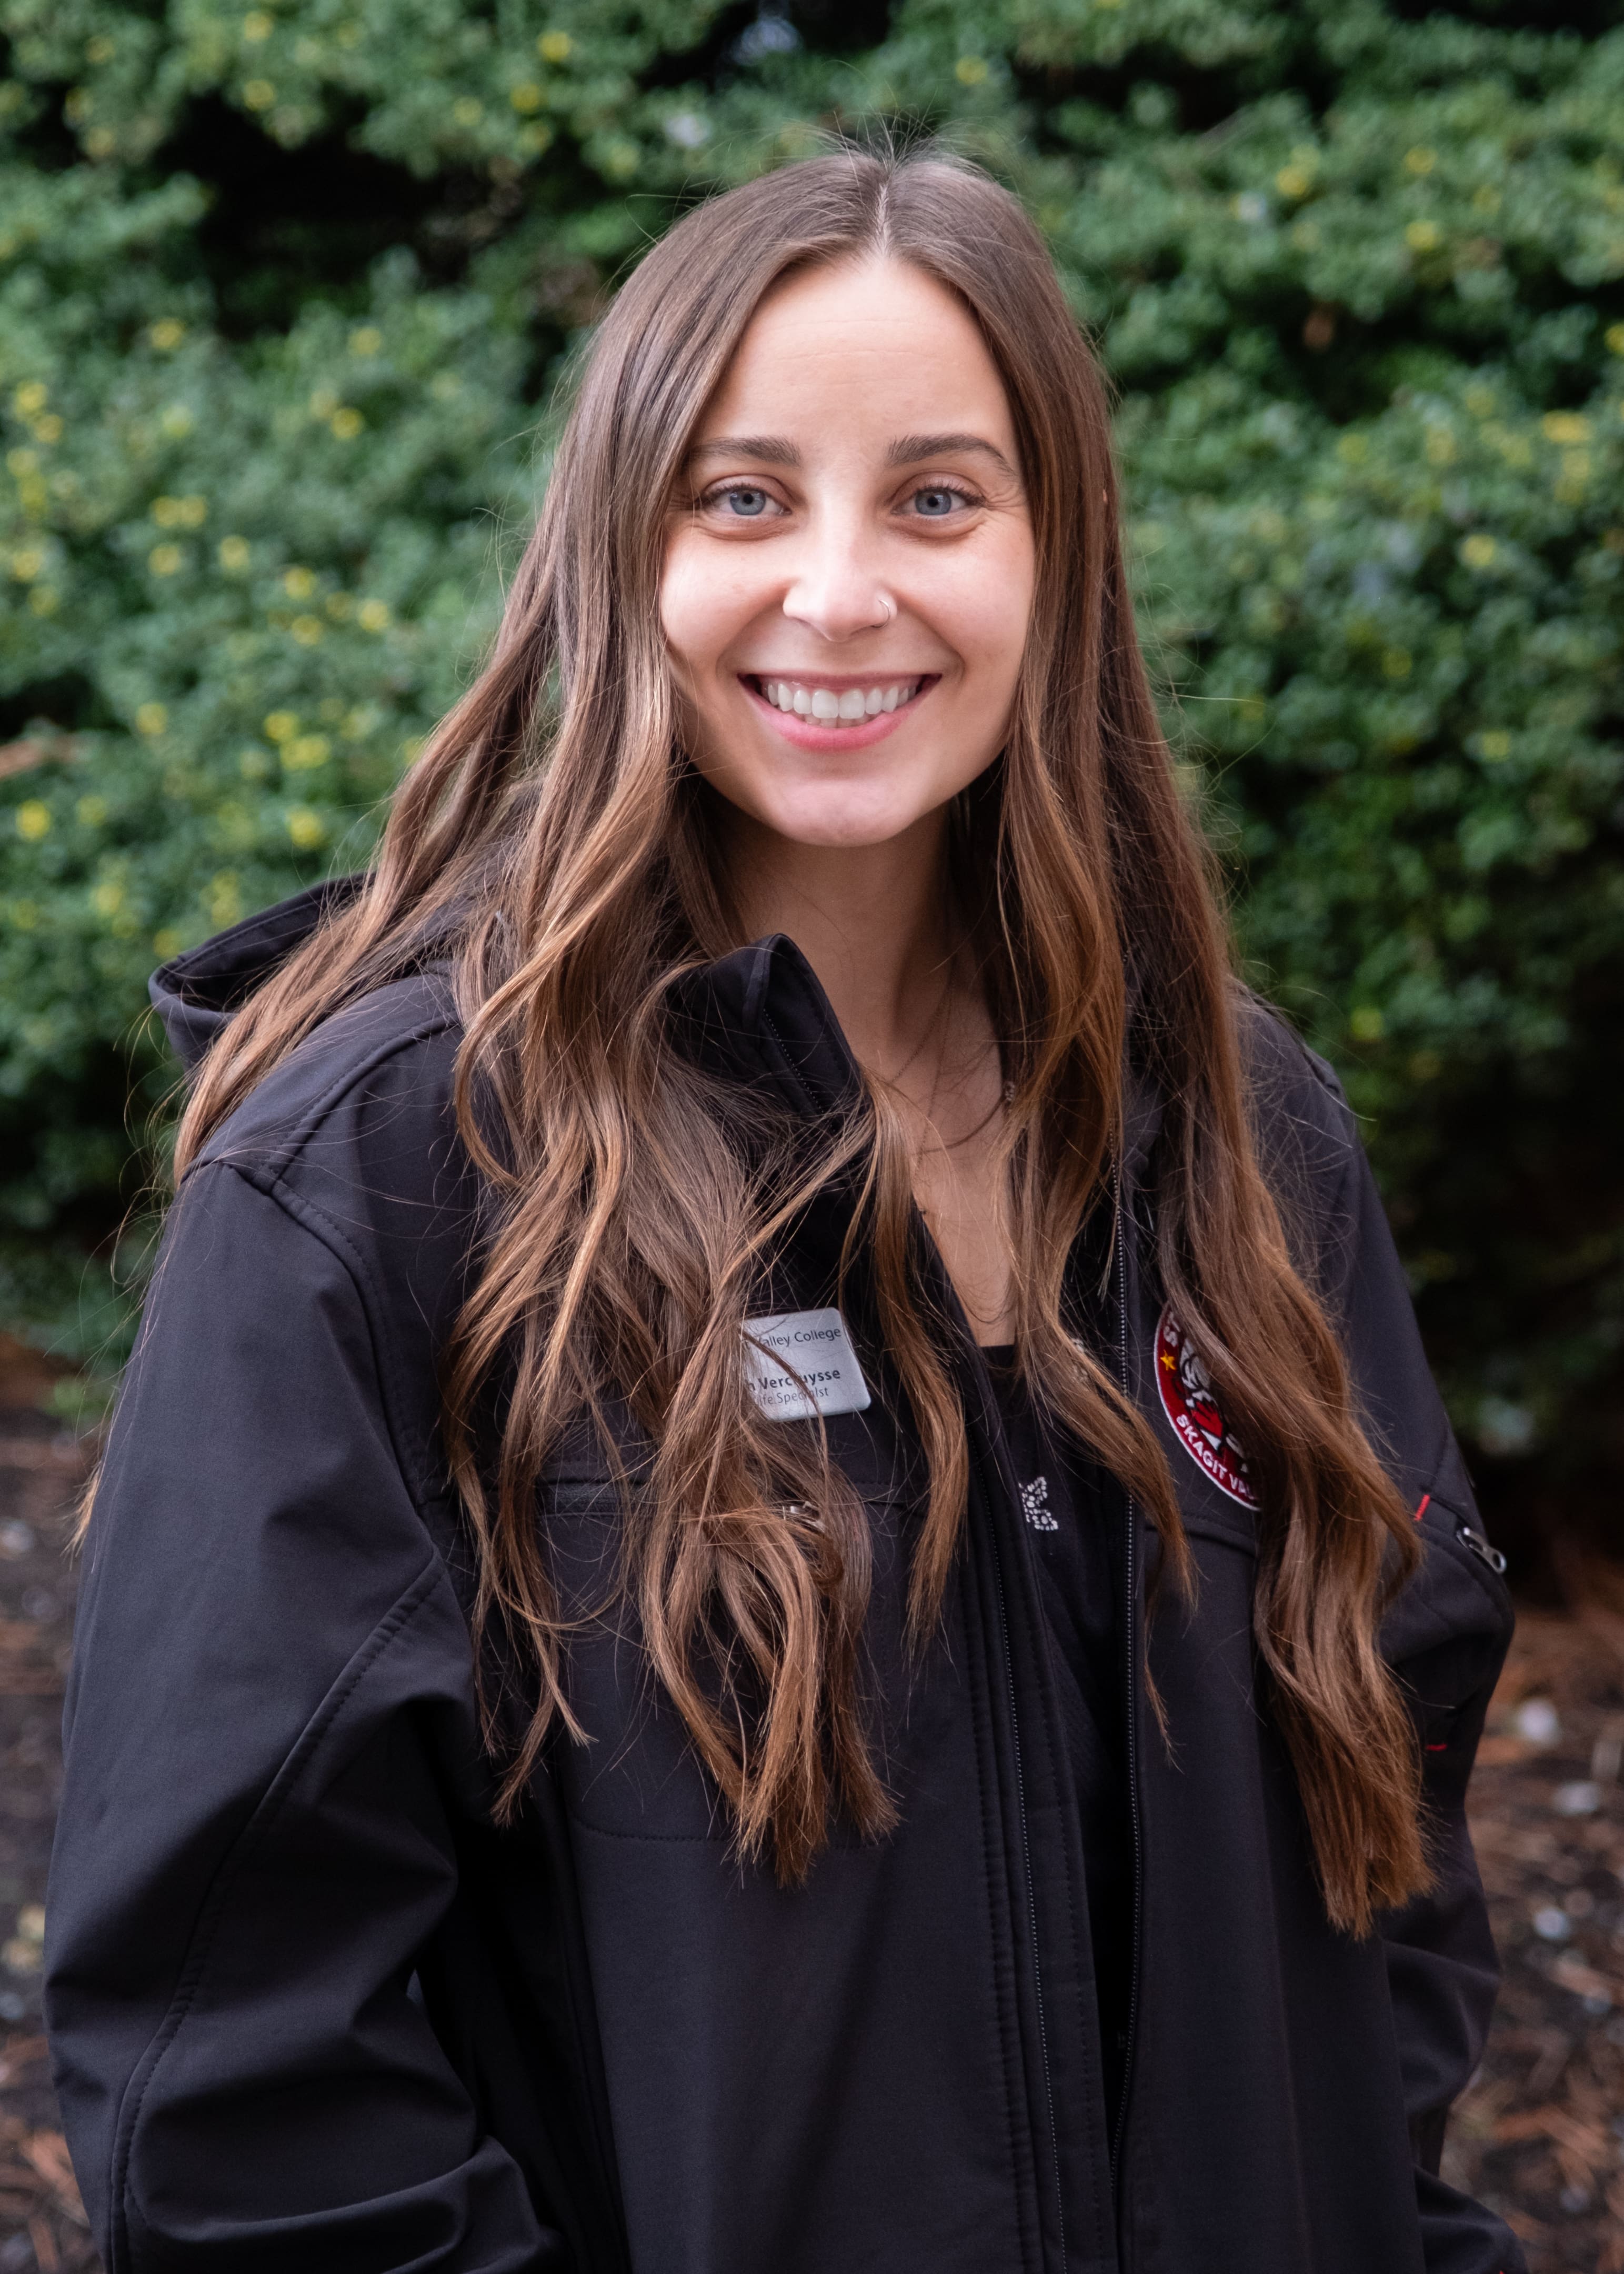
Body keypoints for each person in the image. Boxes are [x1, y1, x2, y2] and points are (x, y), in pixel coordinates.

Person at [44, 147, 1522, 2274]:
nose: (839, 591)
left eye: (937, 498)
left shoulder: (1238, 1134)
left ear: (1058, 555)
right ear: (616, 550)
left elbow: (1388, 1864)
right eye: (741, 498)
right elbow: (240, 2085)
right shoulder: (389, 1177)